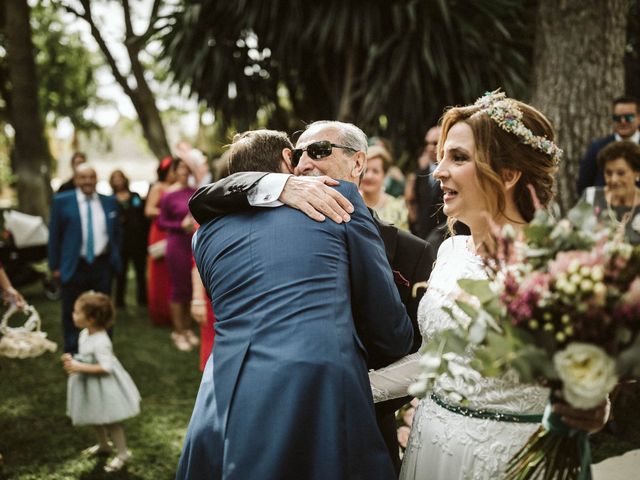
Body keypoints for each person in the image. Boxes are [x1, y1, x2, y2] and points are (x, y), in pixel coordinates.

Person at [368, 91, 610, 479]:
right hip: (431, 448)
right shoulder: (449, 251)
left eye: (458, 158)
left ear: (509, 173)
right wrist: (354, 386)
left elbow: (587, 390)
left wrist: (593, 409)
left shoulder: (558, 269)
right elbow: (436, 361)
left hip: (505, 460)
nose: (438, 171)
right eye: (442, 155)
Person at [188, 121, 434, 472]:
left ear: (358, 162)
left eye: (318, 151)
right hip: (317, 394)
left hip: (339, 403)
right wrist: (276, 183)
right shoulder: (255, 205)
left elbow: (406, 345)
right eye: (299, 154)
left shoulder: (414, 252)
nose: (304, 163)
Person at [61, 291, 140, 473]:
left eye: (76, 312)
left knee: (110, 421)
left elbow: (106, 367)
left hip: (104, 386)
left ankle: (122, 453)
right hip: (90, 385)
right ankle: (104, 444)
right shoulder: (84, 334)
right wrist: (73, 361)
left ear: (90, 319)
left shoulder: (102, 341)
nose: (73, 314)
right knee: (94, 415)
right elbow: (86, 358)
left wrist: (78, 366)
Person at [48, 164, 122, 353]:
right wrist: (54, 265)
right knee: (72, 310)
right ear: (75, 179)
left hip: (102, 264)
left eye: (91, 177)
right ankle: (73, 350)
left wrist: (115, 256)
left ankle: (103, 350)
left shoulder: (109, 201)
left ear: (96, 179)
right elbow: (54, 236)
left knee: (103, 308)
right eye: (83, 177)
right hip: (74, 264)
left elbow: (117, 232)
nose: (87, 181)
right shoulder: (62, 201)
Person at [157, 159, 198, 351]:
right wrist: (179, 225)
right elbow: (161, 222)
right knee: (178, 288)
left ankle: (188, 328)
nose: (183, 172)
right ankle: (178, 331)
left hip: (194, 243)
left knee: (192, 286)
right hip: (176, 245)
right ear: (174, 171)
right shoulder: (168, 195)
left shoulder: (195, 191)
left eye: (186, 168)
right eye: (180, 169)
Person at [580, 141, 640, 245]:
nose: (614, 180)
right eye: (608, 173)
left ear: (637, 173)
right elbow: (570, 235)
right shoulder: (591, 196)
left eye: (621, 173)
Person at [577, 96, 640, 194]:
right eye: (617, 118)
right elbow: (584, 186)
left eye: (629, 117)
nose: (623, 121)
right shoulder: (597, 148)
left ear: (638, 118)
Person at [109, 170, 148, 308]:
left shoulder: (135, 196)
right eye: (115, 178)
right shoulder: (111, 200)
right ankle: (119, 301)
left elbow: (143, 215)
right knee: (121, 272)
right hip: (121, 242)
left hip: (137, 240)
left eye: (120, 178)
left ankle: (143, 299)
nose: (118, 181)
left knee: (140, 272)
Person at [145, 157, 175, 326]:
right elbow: (148, 210)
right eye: (172, 171)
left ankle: (174, 311)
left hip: (175, 232)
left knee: (174, 272)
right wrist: (168, 212)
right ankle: (160, 313)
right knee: (160, 272)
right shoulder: (158, 187)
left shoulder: (180, 188)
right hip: (160, 232)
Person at [361, 145, 410, 231]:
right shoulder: (350, 202)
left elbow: (404, 242)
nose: (369, 176)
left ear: (384, 175)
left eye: (375, 171)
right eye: (366, 170)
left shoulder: (397, 207)